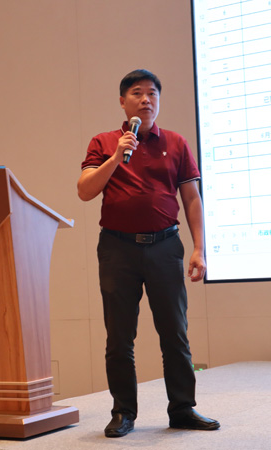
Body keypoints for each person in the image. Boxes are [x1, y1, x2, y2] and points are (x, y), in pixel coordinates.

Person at [77, 69, 220, 438]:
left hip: (165, 246)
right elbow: (85, 190)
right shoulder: (104, 142)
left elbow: (191, 198)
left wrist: (199, 249)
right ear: (122, 101)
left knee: (175, 332)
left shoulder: (176, 142)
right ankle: (123, 412)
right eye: (137, 93)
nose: (146, 100)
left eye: (152, 93)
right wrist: (115, 156)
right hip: (117, 248)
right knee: (119, 336)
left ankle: (183, 409)